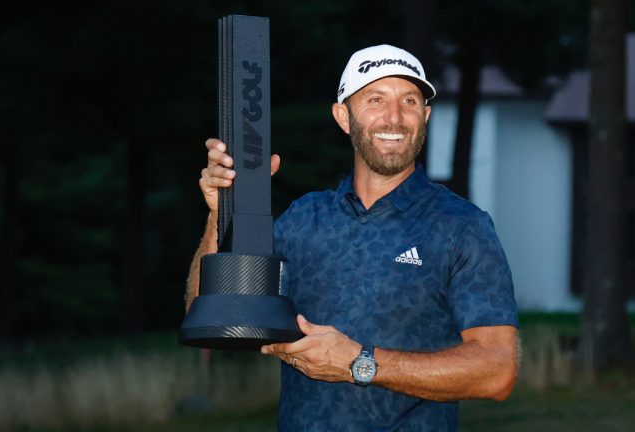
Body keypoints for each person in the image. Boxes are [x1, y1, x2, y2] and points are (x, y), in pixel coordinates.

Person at [187, 44, 519, 431]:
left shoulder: (461, 226)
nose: (394, 117)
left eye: (409, 101)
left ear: (425, 116)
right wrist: (220, 212)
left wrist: (360, 363)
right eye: (375, 99)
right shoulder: (303, 220)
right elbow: (210, 312)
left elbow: (497, 371)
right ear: (343, 117)